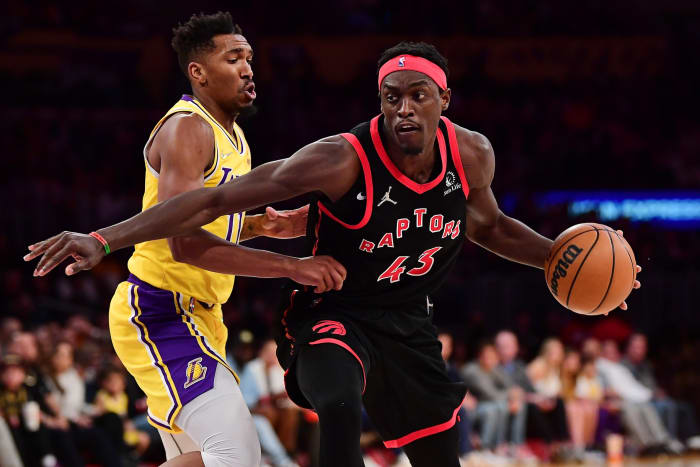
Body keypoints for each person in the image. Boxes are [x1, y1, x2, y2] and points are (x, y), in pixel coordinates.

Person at [25, 40, 642, 467]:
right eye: (391, 97)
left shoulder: (472, 154)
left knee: (437, 451)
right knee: (340, 409)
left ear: (443, 102)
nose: (403, 109)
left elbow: (491, 225)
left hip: (407, 322)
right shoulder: (340, 159)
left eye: (418, 97)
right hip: (332, 314)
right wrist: (104, 237)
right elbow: (214, 202)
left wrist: (556, 261)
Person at [26, 11, 349, 467]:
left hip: (200, 319)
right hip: (161, 311)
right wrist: (291, 266)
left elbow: (206, 221)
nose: (247, 68)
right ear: (197, 72)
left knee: (199, 459)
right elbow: (185, 243)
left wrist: (263, 226)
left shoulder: (233, 136)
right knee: (237, 454)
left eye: (250, 58)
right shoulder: (187, 128)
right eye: (233, 58)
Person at [623, 333, 700, 448]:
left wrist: (657, 392)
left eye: (642, 347)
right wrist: (653, 394)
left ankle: (691, 438)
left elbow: (651, 384)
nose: (639, 351)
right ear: (628, 348)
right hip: (640, 400)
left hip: (651, 397)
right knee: (667, 407)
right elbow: (630, 388)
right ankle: (668, 440)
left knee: (683, 406)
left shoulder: (645, 364)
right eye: (636, 347)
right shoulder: (623, 366)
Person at [461, 342, 527, 455]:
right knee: (497, 407)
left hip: (490, 404)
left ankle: (515, 447)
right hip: (473, 408)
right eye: (487, 355)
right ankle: (487, 447)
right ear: (480, 356)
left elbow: (511, 385)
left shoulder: (494, 369)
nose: (490, 359)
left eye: (493, 356)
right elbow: (489, 393)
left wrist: (515, 397)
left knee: (519, 405)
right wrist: (510, 394)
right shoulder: (472, 370)